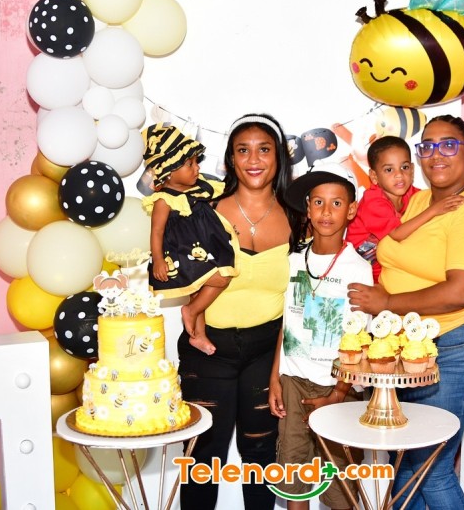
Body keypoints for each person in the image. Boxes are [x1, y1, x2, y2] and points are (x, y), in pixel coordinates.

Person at [348, 115, 464, 510]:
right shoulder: (419, 201)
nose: (437, 154)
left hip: (455, 344)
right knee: (408, 464)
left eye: (449, 144)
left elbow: (461, 291)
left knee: (430, 467)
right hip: (411, 350)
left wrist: (387, 303)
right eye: (428, 146)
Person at [177, 113, 301, 510]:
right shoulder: (204, 211)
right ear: (231, 160)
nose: (254, 160)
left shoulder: (299, 218)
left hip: (266, 351)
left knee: (261, 453)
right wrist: (195, 320)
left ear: (279, 157)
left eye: (264, 150)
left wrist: (280, 366)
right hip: (208, 349)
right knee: (202, 455)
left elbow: (300, 298)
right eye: (243, 150)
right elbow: (187, 280)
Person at [269, 163, 372, 510]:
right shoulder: (294, 260)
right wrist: (275, 377)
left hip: (339, 386)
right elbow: (286, 323)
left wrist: (339, 392)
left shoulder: (358, 269)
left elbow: (358, 340)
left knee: (340, 479)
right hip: (293, 382)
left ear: (351, 210)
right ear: (308, 209)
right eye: (318, 202)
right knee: (294, 474)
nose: (326, 212)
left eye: (336, 203)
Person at [142, 124, 239, 355]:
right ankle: (191, 311)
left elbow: (214, 209)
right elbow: (156, 232)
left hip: (203, 246)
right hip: (181, 252)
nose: (197, 168)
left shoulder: (197, 188)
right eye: (190, 164)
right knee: (222, 277)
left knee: (198, 290)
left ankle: (198, 335)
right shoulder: (164, 200)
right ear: (169, 169)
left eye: (197, 162)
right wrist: (158, 260)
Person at [346, 136, 464, 282]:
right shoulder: (373, 202)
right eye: (389, 170)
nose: (399, 175)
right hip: (361, 273)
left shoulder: (412, 194)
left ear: (412, 170)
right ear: (374, 176)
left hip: (388, 267)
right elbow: (397, 234)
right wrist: (434, 210)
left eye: (405, 167)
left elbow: (431, 199)